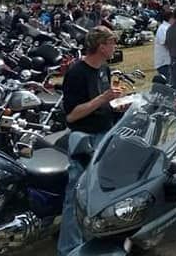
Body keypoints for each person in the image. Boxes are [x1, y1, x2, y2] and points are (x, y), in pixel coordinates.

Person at [57, 27, 125, 256]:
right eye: (112, 42)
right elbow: (71, 115)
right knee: (76, 195)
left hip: (105, 136)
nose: (115, 47)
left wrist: (117, 104)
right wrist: (103, 98)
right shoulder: (77, 72)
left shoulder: (104, 69)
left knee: (100, 193)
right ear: (101, 46)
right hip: (83, 139)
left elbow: (103, 103)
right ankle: (68, 248)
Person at [153, 8, 176, 81]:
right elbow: (167, 44)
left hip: (169, 61)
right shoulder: (163, 29)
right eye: (174, 18)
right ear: (171, 18)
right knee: (168, 83)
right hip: (164, 63)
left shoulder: (169, 28)